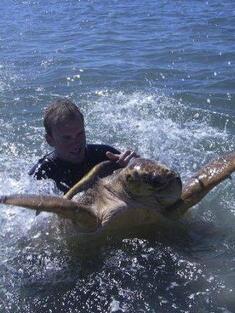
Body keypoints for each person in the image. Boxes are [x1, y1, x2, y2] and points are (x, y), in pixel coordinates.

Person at [29, 99, 138, 193]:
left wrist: (132, 166)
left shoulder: (105, 155)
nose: (76, 143)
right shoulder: (41, 174)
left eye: (80, 134)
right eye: (67, 138)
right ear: (50, 140)